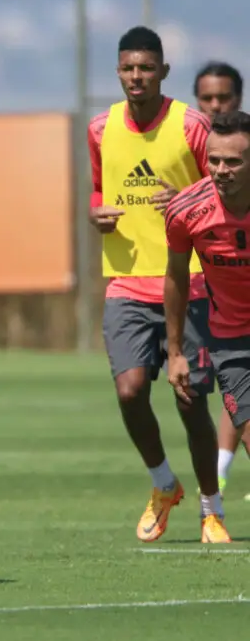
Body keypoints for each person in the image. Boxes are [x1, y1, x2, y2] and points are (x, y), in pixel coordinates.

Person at [87, 26, 222, 543]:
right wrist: (95, 212)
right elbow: (100, 186)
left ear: (164, 71)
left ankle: (212, 508)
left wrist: (189, 203)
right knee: (129, 390)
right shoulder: (100, 128)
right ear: (118, 72)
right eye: (127, 68)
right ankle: (164, 484)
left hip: (187, 279)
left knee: (190, 399)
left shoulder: (192, 124)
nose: (136, 77)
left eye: (146, 68)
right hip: (125, 278)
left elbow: (225, 181)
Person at [163, 109, 250, 543]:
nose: (221, 170)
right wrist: (175, 351)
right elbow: (176, 277)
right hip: (232, 340)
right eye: (214, 160)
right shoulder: (186, 210)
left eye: (233, 161)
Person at [192, 61, 250, 500]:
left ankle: (221, 469)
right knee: (209, 387)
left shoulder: (238, 141)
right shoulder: (185, 139)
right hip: (200, 281)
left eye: (223, 98)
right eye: (207, 98)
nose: (214, 106)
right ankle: (218, 474)